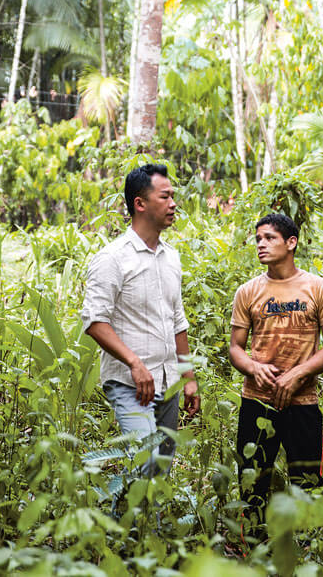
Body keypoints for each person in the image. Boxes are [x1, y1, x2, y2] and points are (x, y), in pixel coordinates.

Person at [228, 213, 323, 537]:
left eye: (269, 238)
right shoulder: (247, 292)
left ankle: (311, 551)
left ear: (291, 242)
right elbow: (236, 348)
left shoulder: (317, 288)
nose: (261, 245)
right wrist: (253, 367)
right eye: (258, 239)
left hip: (302, 402)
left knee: (306, 482)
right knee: (252, 482)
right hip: (257, 402)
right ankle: (252, 550)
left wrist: (299, 374)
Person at [81, 164, 200, 477]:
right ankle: (120, 524)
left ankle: (146, 526)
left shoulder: (171, 256)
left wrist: (188, 377)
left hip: (168, 379)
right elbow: (95, 321)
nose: (174, 203)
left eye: (173, 196)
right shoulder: (113, 258)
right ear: (140, 203)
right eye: (165, 196)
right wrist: (135, 363)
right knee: (145, 459)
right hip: (129, 383)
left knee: (160, 468)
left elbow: (178, 321)